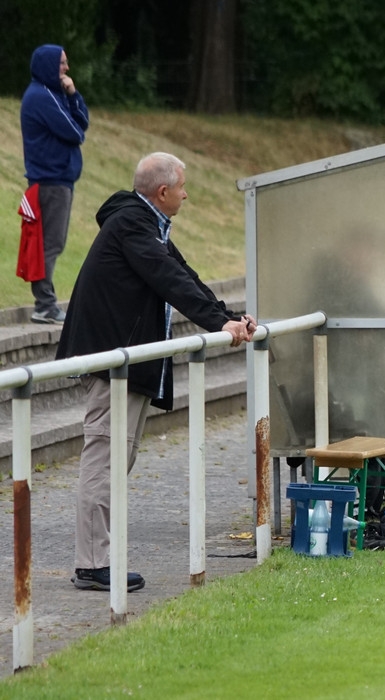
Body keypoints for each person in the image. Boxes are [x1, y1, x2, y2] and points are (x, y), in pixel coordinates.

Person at [55, 152, 256, 592]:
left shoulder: (147, 222)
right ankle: (92, 564)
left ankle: (98, 558)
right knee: (106, 459)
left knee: (117, 459)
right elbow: (167, 277)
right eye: (182, 187)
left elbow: (183, 273)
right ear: (163, 192)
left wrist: (228, 317)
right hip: (113, 363)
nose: (187, 194)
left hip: (128, 362)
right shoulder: (132, 223)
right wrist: (218, 323)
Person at [20, 44, 89, 324]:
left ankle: (45, 303)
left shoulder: (53, 94)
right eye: (62, 63)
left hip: (58, 180)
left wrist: (73, 94)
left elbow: (81, 123)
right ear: (49, 65)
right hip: (50, 181)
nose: (67, 68)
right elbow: (75, 133)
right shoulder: (41, 96)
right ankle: (45, 305)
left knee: (52, 243)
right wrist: (70, 98)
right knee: (50, 244)